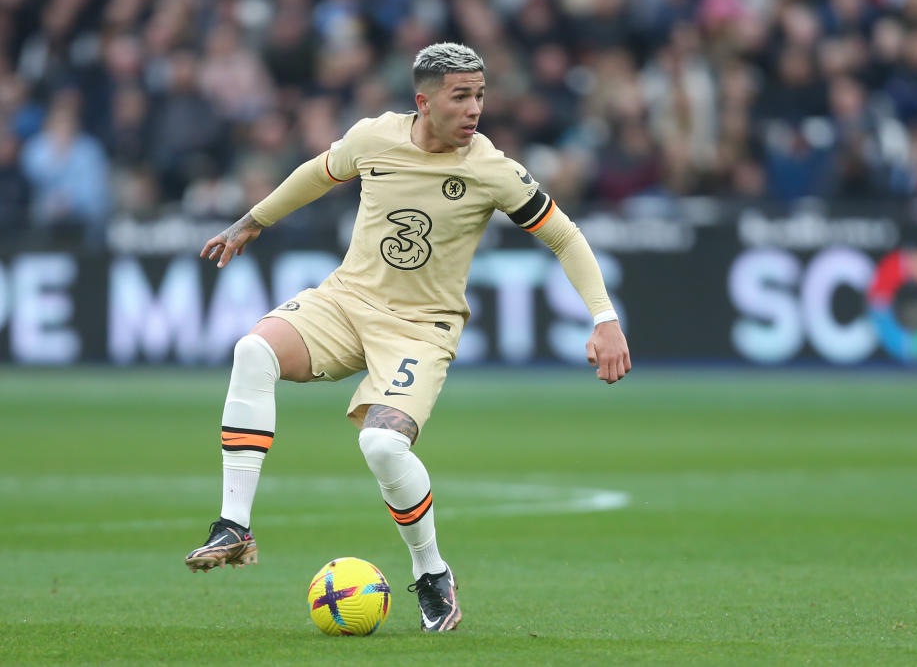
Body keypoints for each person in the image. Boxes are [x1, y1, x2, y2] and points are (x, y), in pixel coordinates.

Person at [184, 42, 631, 633]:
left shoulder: (490, 167)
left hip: (421, 328)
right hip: (346, 300)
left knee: (383, 448)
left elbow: (565, 237)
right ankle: (234, 525)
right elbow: (315, 175)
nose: (474, 109)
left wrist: (604, 318)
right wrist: (251, 222)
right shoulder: (374, 138)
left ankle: (431, 574)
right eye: (460, 96)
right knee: (252, 351)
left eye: (479, 95)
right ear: (424, 101)